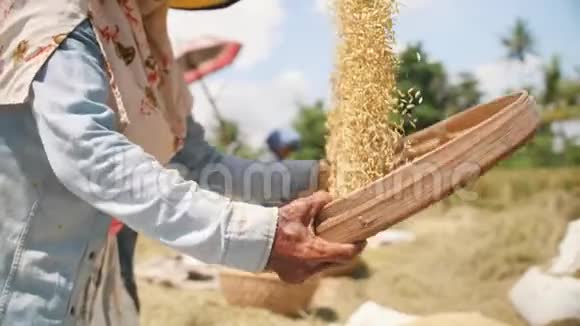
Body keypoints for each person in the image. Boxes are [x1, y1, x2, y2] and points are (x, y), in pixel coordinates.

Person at [0, 0, 365, 325]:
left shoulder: (143, 40)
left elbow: (201, 164)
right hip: (24, 286)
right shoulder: (56, 11)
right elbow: (90, 156)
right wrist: (261, 240)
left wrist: (320, 179)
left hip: (89, 286)